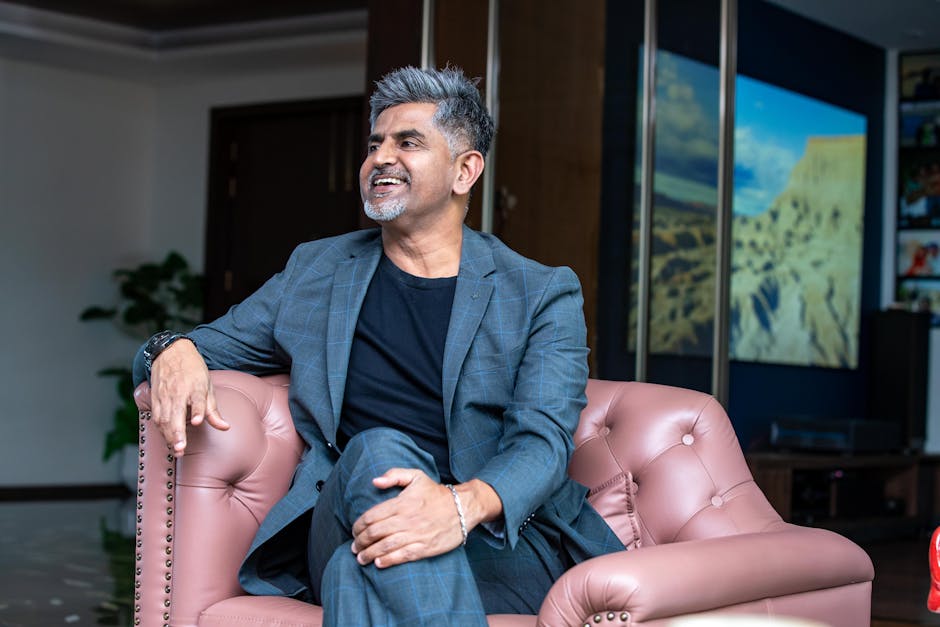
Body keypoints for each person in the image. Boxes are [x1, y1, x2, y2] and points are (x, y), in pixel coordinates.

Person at [133, 66, 622, 626]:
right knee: (377, 453)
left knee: (352, 573)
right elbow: (206, 344)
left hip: (496, 539)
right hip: (350, 510)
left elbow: (543, 443)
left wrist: (456, 509)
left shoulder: (538, 292)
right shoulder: (316, 271)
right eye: (374, 144)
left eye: (408, 142)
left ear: (466, 170)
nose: (380, 158)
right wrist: (170, 350)